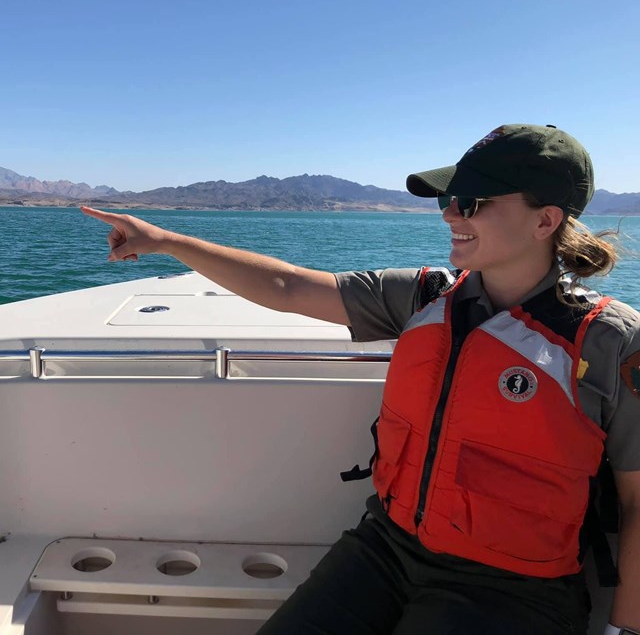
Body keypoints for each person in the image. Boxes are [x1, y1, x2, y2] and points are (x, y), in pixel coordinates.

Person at [82, 123, 640, 635]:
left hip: (512, 588)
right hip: (385, 548)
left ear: (545, 220)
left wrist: (625, 630)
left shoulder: (606, 341)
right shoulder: (424, 295)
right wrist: (163, 240)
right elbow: (289, 287)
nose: (450, 215)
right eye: (448, 200)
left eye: (470, 202)